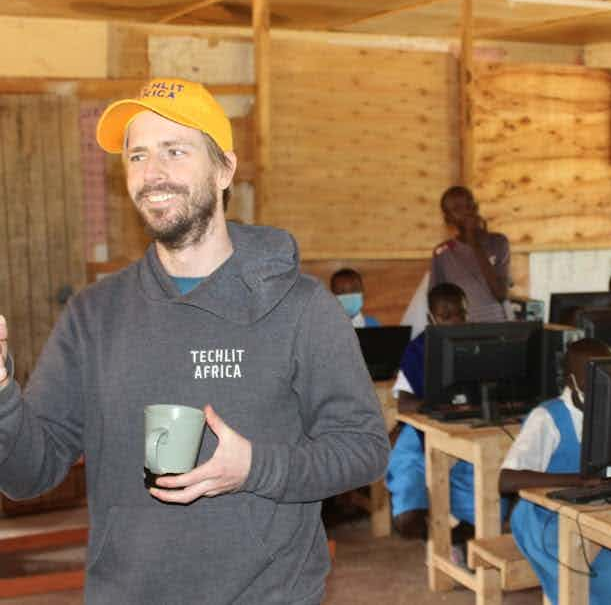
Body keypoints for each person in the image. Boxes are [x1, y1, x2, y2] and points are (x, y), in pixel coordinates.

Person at [0, 78, 389, 604]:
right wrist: (2, 393)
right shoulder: (93, 316)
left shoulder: (301, 308)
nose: (152, 173)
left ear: (224, 169)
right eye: (137, 156)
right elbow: (28, 474)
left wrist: (255, 467)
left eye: (175, 151)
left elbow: (364, 448)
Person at [499, 338, 611, 605]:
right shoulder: (547, 417)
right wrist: (578, 480)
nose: (605, 383)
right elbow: (507, 479)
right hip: (544, 521)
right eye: (595, 377)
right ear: (572, 380)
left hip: (595, 515)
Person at [386, 282, 476, 542]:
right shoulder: (418, 350)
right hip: (422, 430)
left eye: (461, 313)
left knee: (480, 515)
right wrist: (442, 405)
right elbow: (404, 404)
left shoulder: (481, 342)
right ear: (431, 319)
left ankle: (459, 528)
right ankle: (440, 529)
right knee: (408, 521)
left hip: (470, 432)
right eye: (447, 316)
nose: (456, 321)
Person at [431, 186, 510, 322]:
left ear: (476, 206)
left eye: (468, 204)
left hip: (497, 327)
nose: (466, 212)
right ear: (448, 219)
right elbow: (437, 303)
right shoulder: (443, 253)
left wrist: (475, 244)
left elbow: (501, 294)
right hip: (463, 331)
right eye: (456, 209)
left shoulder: (498, 242)